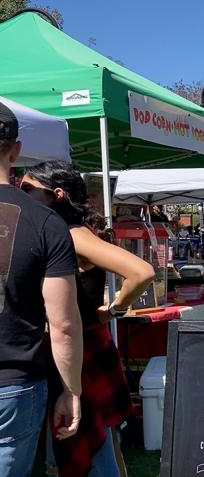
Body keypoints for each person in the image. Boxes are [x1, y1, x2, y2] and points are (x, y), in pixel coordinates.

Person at [23, 161, 155, 477]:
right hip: (83, 348)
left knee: (88, 445)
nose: (22, 195)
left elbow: (142, 272)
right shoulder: (66, 232)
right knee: (98, 440)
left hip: (80, 354)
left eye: (28, 190)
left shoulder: (74, 235)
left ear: (57, 194)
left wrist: (113, 308)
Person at [0, 107, 83, 477]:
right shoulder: (46, 222)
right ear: (15, 152)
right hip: (13, 386)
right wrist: (70, 389)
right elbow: (63, 323)